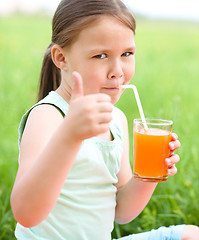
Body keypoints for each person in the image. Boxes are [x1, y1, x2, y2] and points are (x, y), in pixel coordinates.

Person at [11, 0, 199, 239]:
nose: (118, 70)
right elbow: (25, 213)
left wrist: (149, 174)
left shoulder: (116, 120)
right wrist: (70, 135)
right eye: (101, 55)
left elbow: (121, 211)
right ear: (61, 58)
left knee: (191, 235)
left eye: (127, 54)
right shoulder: (48, 116)